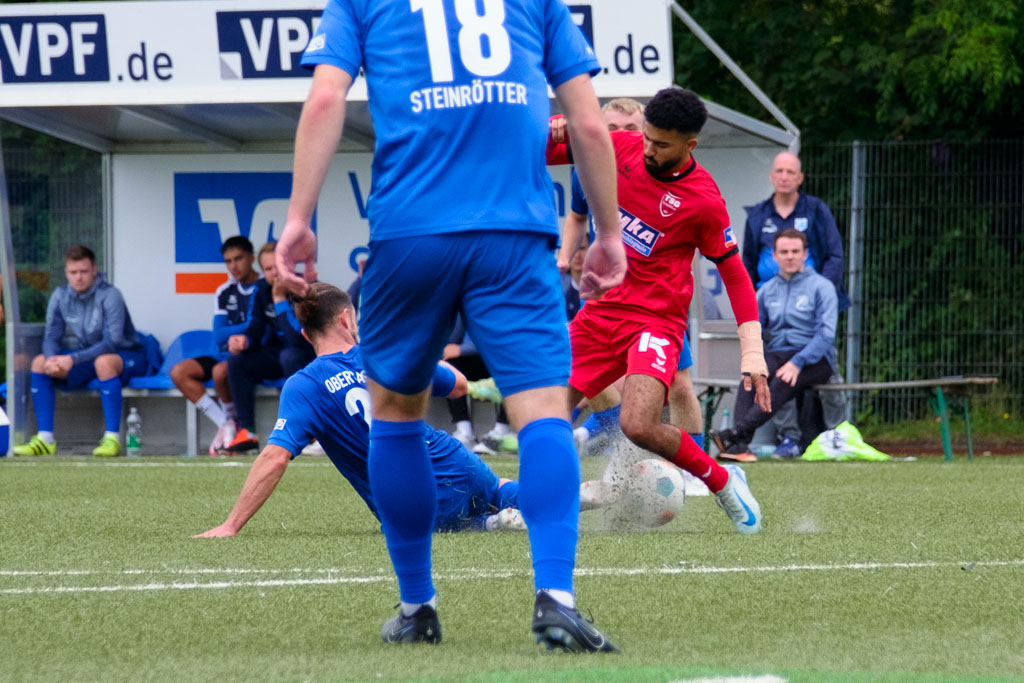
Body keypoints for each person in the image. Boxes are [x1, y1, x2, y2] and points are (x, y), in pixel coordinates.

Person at [276, 0, 625, 652]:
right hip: (514, 235)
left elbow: (325, 101)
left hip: (409, 233)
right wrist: (607, 232)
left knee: (396, 414)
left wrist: (298, 217)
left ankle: (417, 607)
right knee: (546, 413)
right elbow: (588, 123)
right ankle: (557, 599)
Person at [547, 88, 769, 535]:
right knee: (545, 410)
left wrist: (753, 352)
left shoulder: (703, 200)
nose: (648, 149)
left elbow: (736, 274)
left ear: (690, 145)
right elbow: (543, 145)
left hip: (654, 322)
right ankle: (540, 501)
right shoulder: (622, 147)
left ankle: (723, 480)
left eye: (661, 144)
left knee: (638, 424)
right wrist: (542, 126)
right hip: (600, 313)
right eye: (647, 137)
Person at [194, 283, 526, 538]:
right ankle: (555, 497)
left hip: (413, 499)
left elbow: (275, 457)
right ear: (346, 318)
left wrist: (231, 525)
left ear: (304, 333)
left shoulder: (305, 384)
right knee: (499, 489)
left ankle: (490, 524)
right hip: (455, 460)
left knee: (433, 528)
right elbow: (458, 385)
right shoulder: (382, 354)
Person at [742, 151, 848, 456]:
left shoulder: (815, 210)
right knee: (775, 371)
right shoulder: (759, 215)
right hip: (774, 312)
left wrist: (818, 293)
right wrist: (757, 301)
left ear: (799, 178)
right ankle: (788, 437)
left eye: (791, 171)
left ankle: (837, 434)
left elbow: (835, 255)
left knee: (830, 369)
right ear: (772, 176)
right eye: (779, 171)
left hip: (812, 311)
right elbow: (747, 264)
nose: (785, 176)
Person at [714, 229, 838, 458]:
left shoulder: (822, 287)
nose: (790, 256)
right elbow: (755, 328)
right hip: (779, 353)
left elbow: (826, 335)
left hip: (815, 358)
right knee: (751, 376)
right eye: (784, 252)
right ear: (774, 256)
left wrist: (798, 362)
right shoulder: (766, 290)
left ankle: (735, 434)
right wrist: (754, 359)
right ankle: (740, 447)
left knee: (782, 379)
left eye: (795, 251)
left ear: (805, 254)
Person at [14, 245, 147, 457]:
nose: (78, 278)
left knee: (104, 361)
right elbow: (51, 336)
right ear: (66, 272)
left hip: (128, 356)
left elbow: (112, 342)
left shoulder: (110, 295)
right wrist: (52, 359)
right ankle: (45, 439)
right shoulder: (60, 295)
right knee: (39, 362)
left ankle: (113, 438)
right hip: (87, 358)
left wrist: (72, 359)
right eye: (73, 272)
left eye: (84, 272)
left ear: (94, 270)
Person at [220, 242, 315, 455]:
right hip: (279, 355)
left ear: (289, 265)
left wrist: (280, 299)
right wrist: (245, 341)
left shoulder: (305, 286)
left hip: (308, 356)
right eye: (268, 269)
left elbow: (297, 339)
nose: (273, 273)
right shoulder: (262, 288)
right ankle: (248, 432)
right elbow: (256, 327)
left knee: (290, 355)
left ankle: (309, 431)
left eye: (277, 267)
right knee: (237, 359)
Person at [169, 236, 259, 455]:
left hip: (249, 355)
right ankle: (226, 423)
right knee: (179, 372)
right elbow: (218, 335)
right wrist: (249, 325)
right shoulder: (224, 291)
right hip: (221, 353)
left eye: (238, 258)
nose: (233, 266)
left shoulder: (263, 288)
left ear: (252, 258)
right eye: (228, 261)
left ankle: (234, 427)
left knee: (221, 372)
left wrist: (245, 330)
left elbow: (262, 330)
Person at [442, 314, 513, 455]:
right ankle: (465, 433)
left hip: (506, 356)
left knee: (515, 363)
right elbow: (451, 342)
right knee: (448, 366)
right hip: (478, 358)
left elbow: (507, 337)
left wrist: (461, 349)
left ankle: (501, 435)